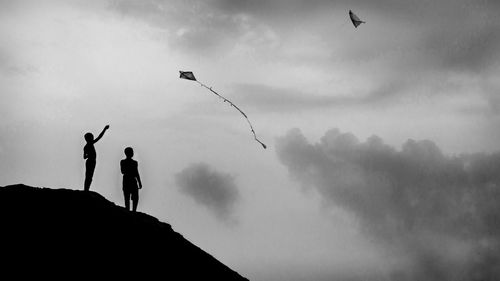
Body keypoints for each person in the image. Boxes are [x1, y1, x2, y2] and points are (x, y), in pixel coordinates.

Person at [83, 125, 110, 191]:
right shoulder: (88, 145)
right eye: (91, 137)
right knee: (88, 176)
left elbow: (84, 156)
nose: (93, 138)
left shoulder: (88, 145)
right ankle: (86, 189)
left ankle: (86, 189)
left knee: (89, 176)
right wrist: (104, 129)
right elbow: (84, 157)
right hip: (90, 161)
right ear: (88, 139)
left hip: (92, 161)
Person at [120, 147, 142, 212]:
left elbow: (136, 173)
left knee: (135, 197)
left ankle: (133, 211)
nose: (132, 153)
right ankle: (129, 211)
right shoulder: (123, 162)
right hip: (128, 180)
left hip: (131, 180)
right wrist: (139, 182)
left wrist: (139, 182)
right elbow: (122, 171)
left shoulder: (134, 162)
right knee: (127, 197)